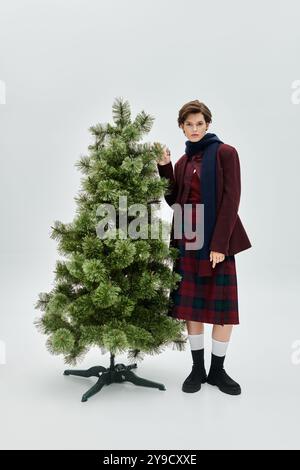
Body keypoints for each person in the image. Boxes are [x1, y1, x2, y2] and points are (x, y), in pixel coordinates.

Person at [157, 100, 252, 395]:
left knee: (221, 310)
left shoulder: (225, 153)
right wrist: (164, 168)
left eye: (199, 123)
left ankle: (218, 371)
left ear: (208, 124)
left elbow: (231, 199)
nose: (195, 129)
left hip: (215, 239)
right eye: (189, 124)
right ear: (182, 127)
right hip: (188, 238)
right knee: (192, 308)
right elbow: (175, 202)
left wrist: (220, 243)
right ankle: (197, 369)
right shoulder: (184, 162)